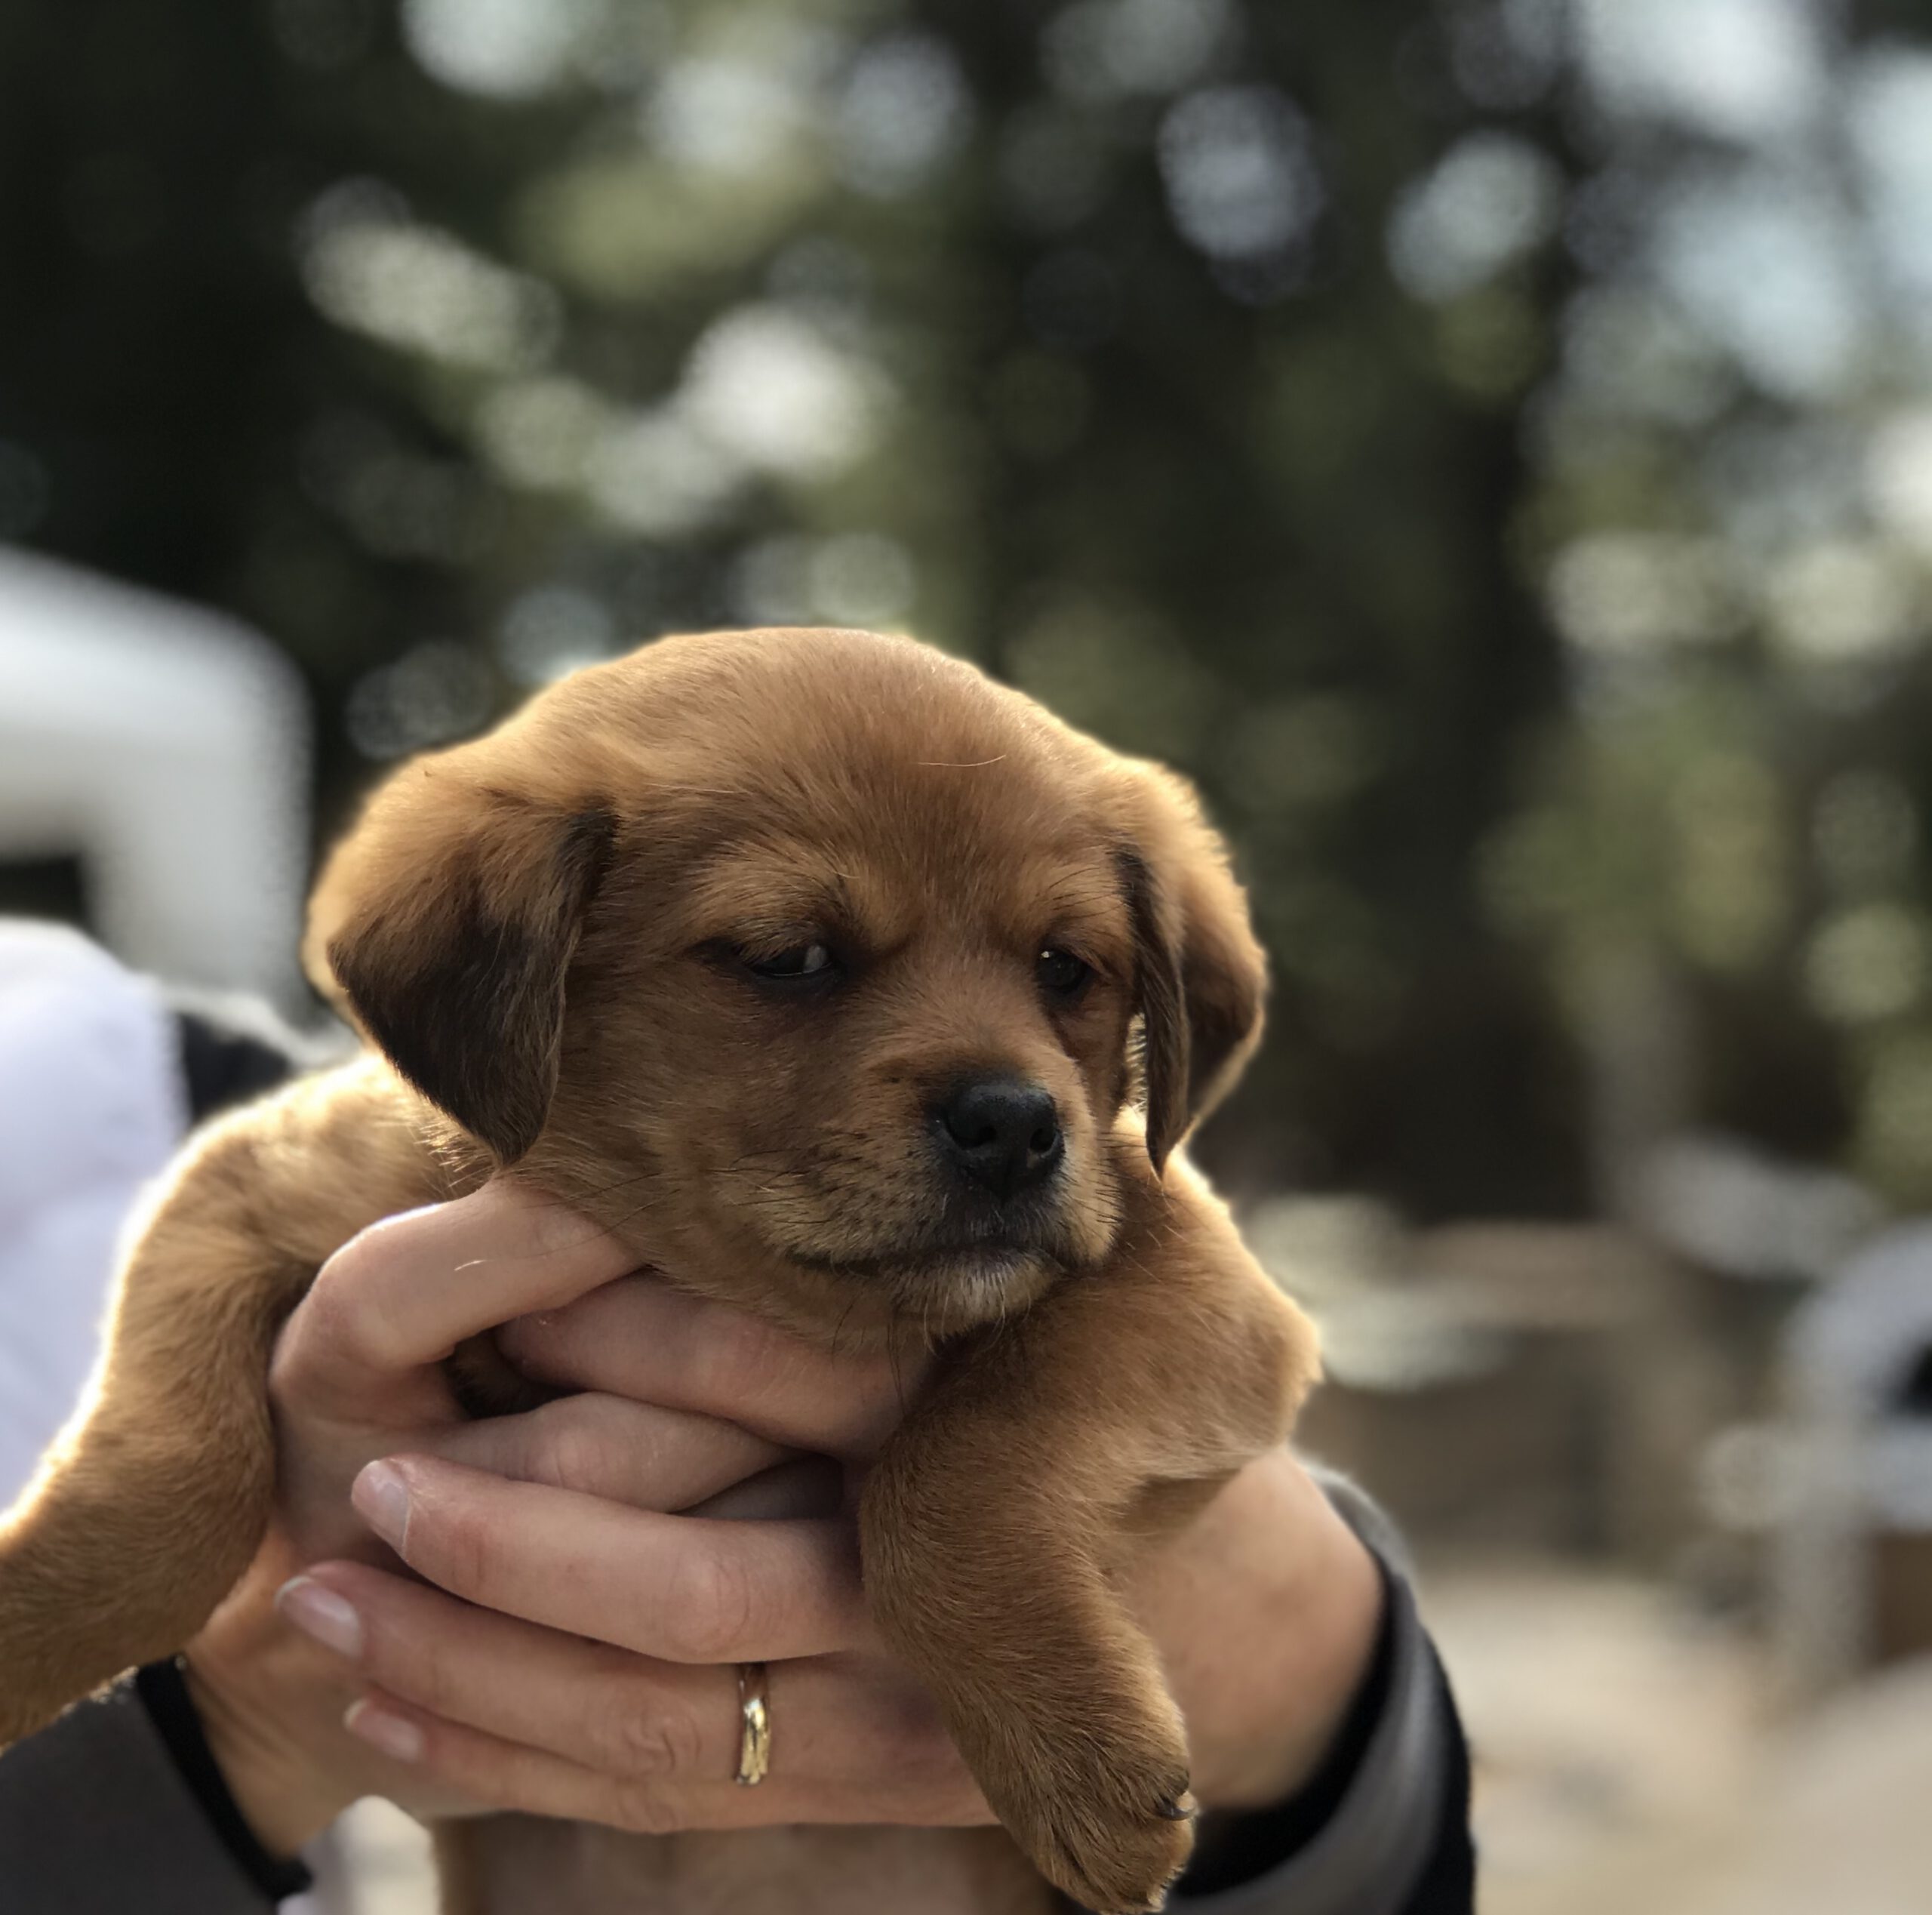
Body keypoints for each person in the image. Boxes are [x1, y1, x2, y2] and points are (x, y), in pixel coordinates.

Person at [0, 952, 1475, 1914]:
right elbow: (240, 1211)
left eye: (1064, 971)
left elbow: (1230, 1335)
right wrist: (210, 1705)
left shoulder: (142, 1075)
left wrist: (1308, 1685)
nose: (1001, 1076)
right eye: (789, 959)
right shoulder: (387, 1129)